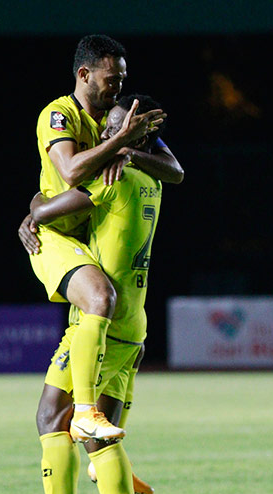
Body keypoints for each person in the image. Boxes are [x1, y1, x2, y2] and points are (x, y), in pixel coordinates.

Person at [2, 95, 171, 494]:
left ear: (131, 136)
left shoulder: (112, 178)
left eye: (114, 129)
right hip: (131, 323)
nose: (103, 136)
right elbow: (172, 168)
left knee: (68, 422)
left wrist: (33, 208)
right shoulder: (153, 180)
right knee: (74, 427)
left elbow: (48, 210)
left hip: (101, 325)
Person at [22, 34, 175, 444]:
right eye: (111, 79)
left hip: (86, 239)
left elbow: (174, 169)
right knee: (101, 299)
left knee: (117, 335)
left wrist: (129, 150)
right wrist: (121, 142)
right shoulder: (59, 115)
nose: (118, 87)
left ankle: (102, 452)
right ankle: (88, 414)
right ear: (84, 74)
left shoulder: (120, 116)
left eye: (122, 79)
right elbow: (70, 173)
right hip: (53, 234)